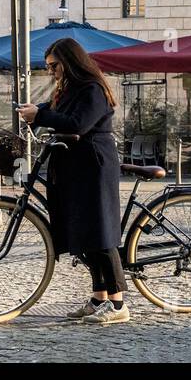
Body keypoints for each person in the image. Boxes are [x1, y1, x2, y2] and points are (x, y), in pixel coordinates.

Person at [16, 38, 130, 325]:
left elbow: (78, 123)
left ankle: (118, 305)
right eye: (49, 67)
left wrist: (40, 114)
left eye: (54, 65)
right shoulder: (69, 88)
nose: (52, 71)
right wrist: (36, 110)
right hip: (75, 164)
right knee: (84, 234)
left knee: (101, 233)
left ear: (70, 61)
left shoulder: (92, 89)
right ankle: (98, 298)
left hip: (93, 165)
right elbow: (58, 112)